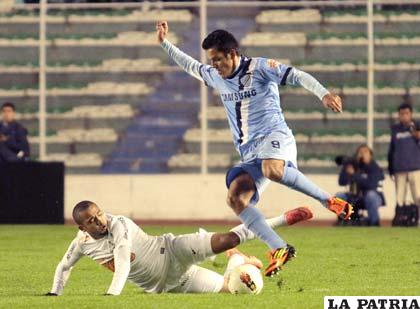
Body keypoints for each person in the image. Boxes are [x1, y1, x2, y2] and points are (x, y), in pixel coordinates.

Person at [156, 21, 353, 276]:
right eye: (211, 60)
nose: (214, 65)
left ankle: (328, 200)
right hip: (249, 153)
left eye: (217, 59)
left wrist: (323, 93)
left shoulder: (259, 67)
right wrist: (164, 43)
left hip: (276, 137)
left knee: (271, 169)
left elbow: (297, 75)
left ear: (232, 53)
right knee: (235, 199)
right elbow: (190, 65)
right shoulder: (216, 76)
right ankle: (279, 248)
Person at [46, 201, 313, 296]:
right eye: (91, 220)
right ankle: (240, 262)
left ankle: (283, 219)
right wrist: (55, 293)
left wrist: (112, 295)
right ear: (82, 228)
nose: (99, 220)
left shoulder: (119, 225)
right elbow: (63, 266)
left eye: (99, 213)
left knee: (228, 240)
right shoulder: (81, 244)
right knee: (234, 290)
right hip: (175, 284)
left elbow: (123, 261)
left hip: (173, 250)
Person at [388, 103, 420, 226]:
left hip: (415, 167)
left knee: (417, 195)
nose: (404, 116)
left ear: (411, 114)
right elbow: (392, 150)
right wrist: (391, 167)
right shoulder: (395, 130)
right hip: (399, 168)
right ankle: (400, 219)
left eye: (406, 113)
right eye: (402, 114)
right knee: (399, 197)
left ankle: (417, 218)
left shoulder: (416, 127)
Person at [337, 145, 385, 226]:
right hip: (354, 196)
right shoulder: (353, 165)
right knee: (339, 196)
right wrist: (346, 170)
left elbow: (370, 184)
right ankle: (344, 221)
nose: (363, 154)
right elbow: (342, 182)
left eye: (365, 152)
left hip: (372, 197)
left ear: (370, 155)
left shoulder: (374, 167)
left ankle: (374, 223)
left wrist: (354, 175)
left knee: (371, 196)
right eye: (360, 152)